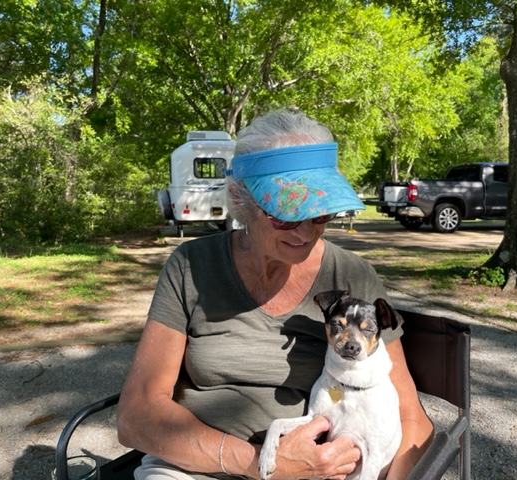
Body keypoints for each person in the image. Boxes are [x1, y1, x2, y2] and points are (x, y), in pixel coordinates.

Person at [117, 110, 434, 480]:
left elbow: (411, 417)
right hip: (193, 467)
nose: (305, 231)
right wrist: (264, 464)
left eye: (320, 214)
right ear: (241, 199)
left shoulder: (350, 276)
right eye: (286, 214)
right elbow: (136, 415)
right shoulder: (191, 267)